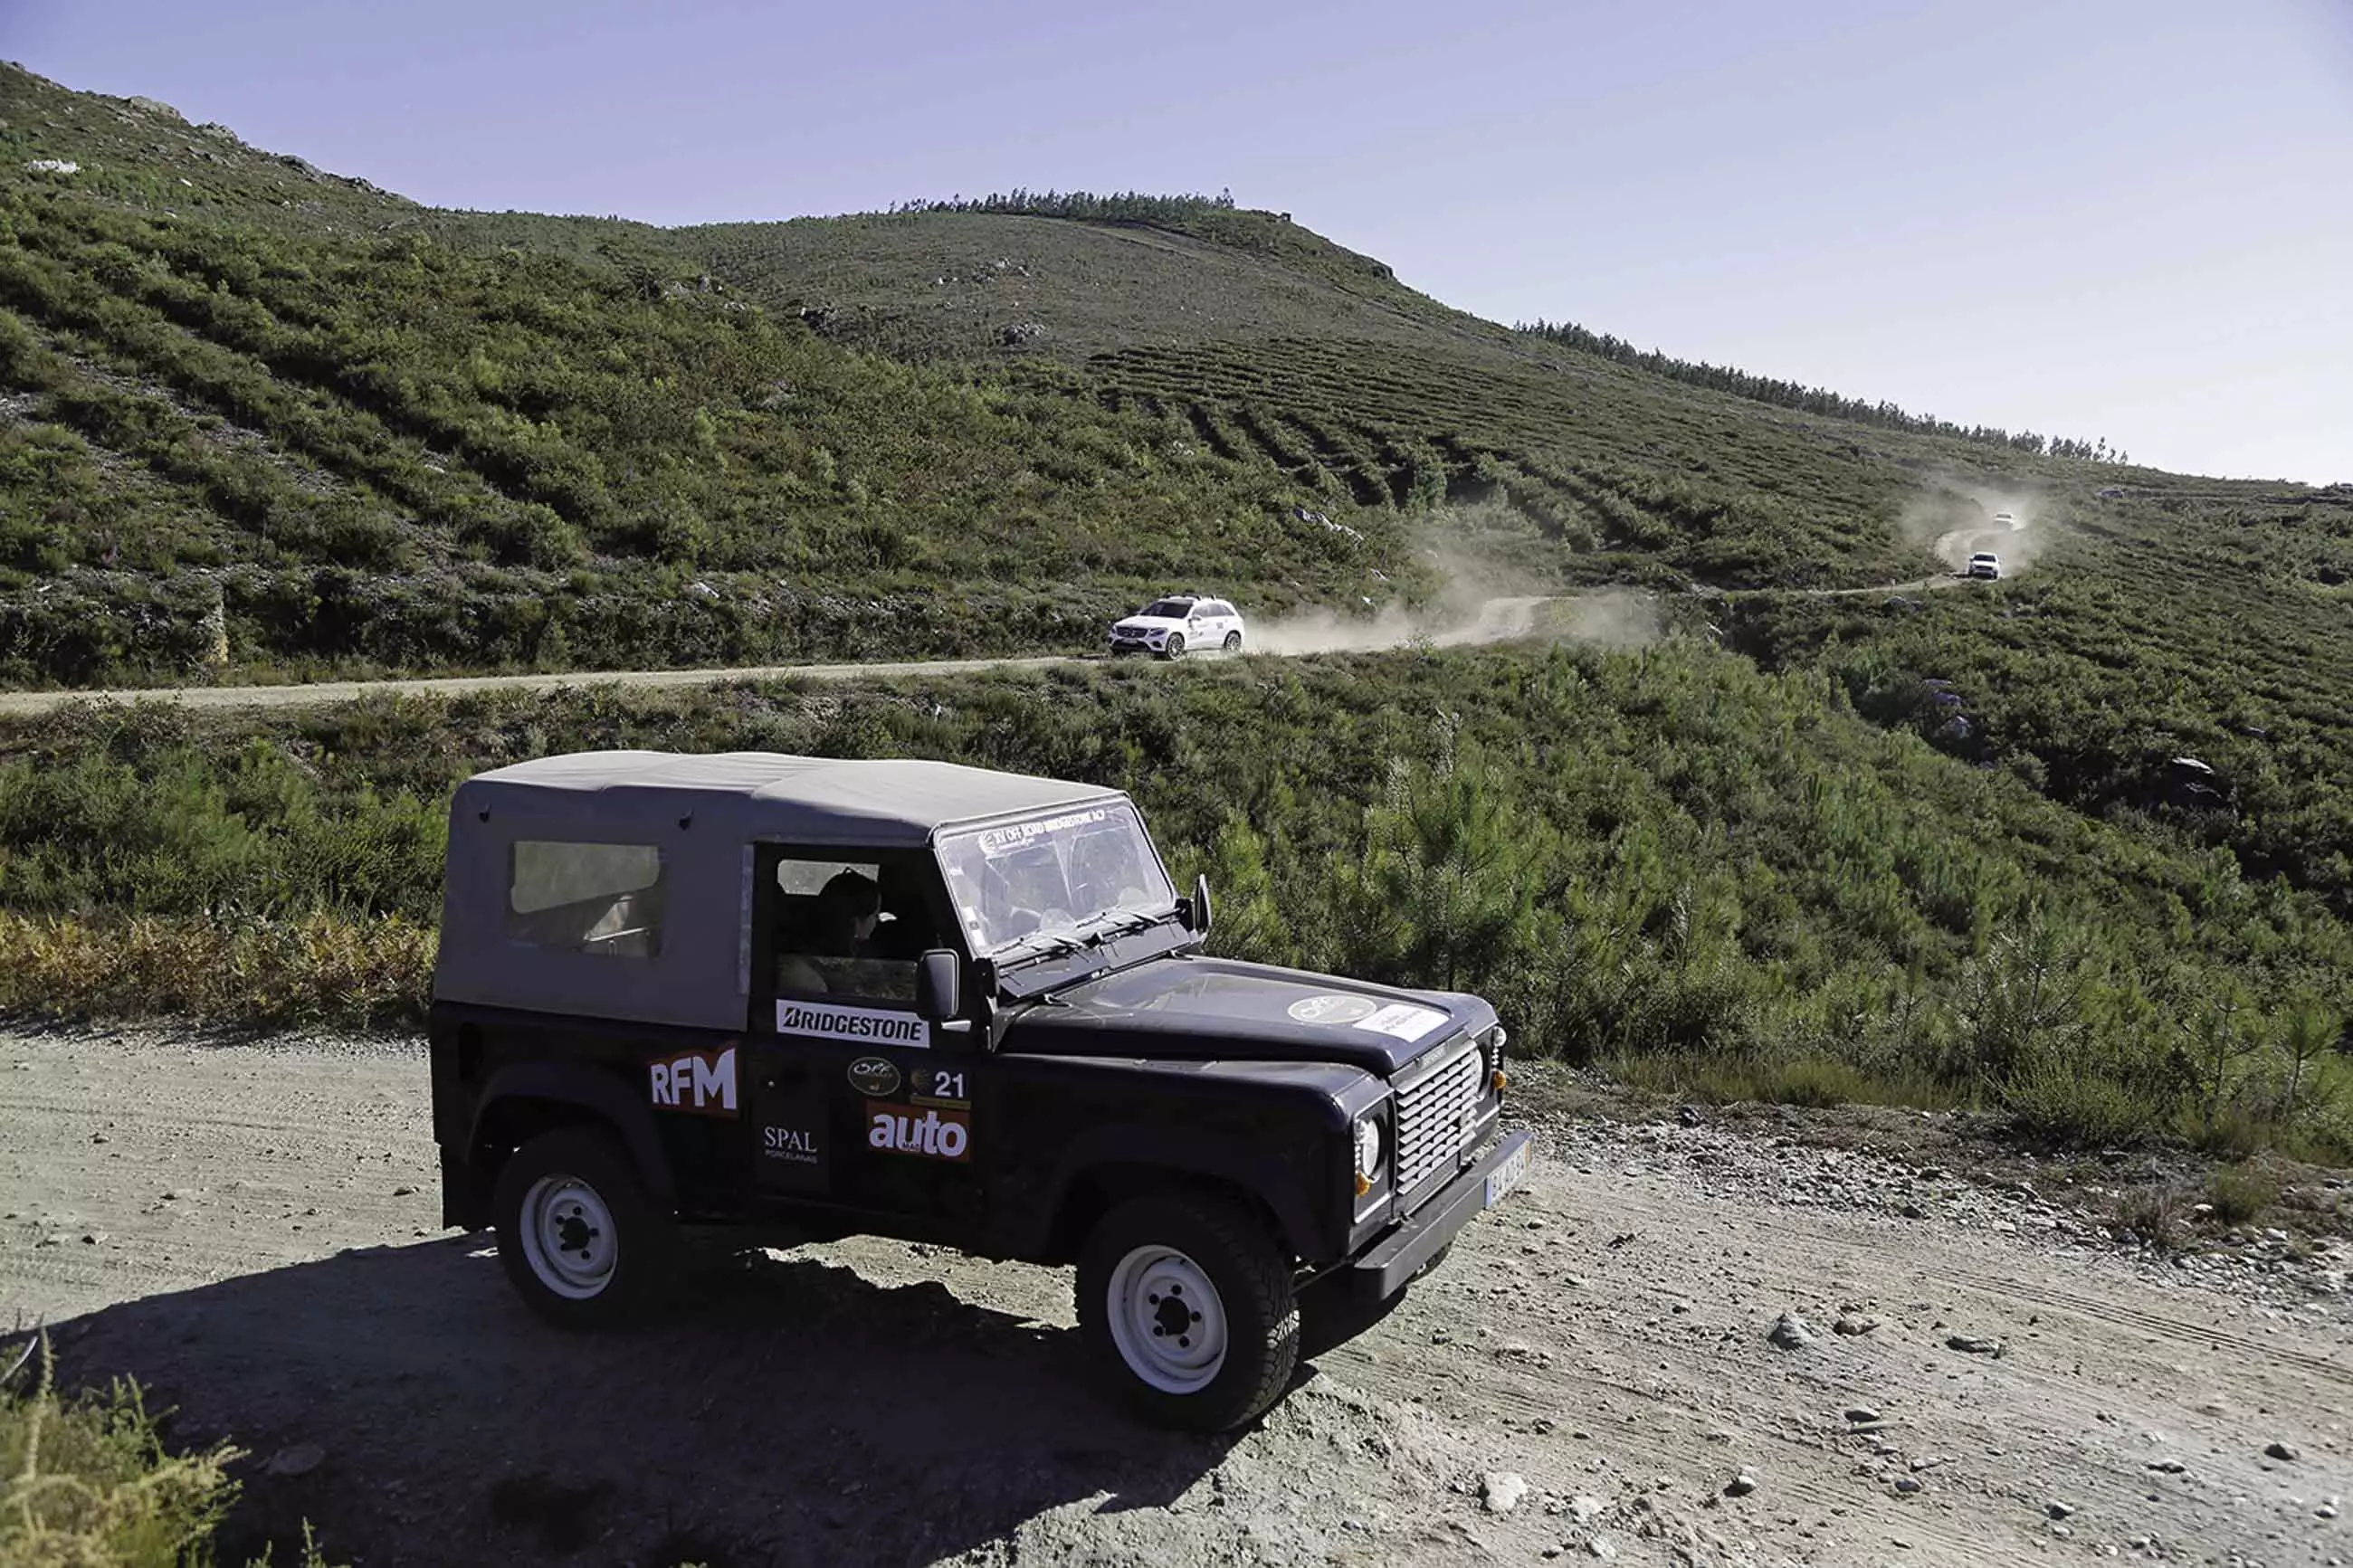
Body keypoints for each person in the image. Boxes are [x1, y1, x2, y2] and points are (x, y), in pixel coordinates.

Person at [777, 870, 881, 993]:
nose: (877, 922)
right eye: (876, 916)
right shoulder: (809, 979)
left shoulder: (835, 957)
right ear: (856, 923)